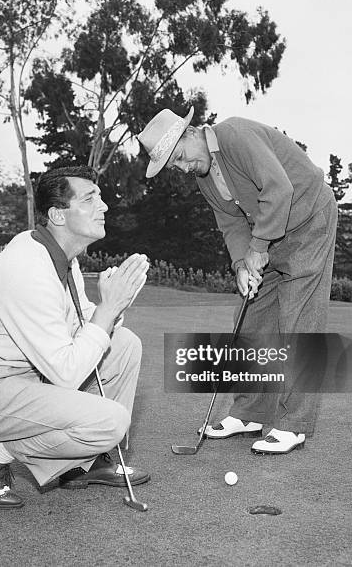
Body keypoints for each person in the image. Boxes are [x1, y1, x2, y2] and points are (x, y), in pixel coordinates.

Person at [0, 165, 150, 509]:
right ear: (57, 215)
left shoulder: (63, 259)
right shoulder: (27, 269)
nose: (105, 207)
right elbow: (66, 372)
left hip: (28, 379)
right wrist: (106, 310)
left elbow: (85, 324)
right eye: (90, 199)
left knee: (125, 344)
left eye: (100, 197)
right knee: (111, 421)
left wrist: (114, 307)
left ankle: (80, 464)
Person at [138, 107, 337, 455]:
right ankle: (251, 413)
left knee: (299, 318)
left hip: (308, 221)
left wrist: (258, 248)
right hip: (270, 232)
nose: (184, 168)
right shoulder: (204, 178)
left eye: (181, 158)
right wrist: (241, 265)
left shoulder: (236, 135)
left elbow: (279, 190)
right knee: (251, 314)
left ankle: (294, 425)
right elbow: (231, 223)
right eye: (176, 166)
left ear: (190, 134)